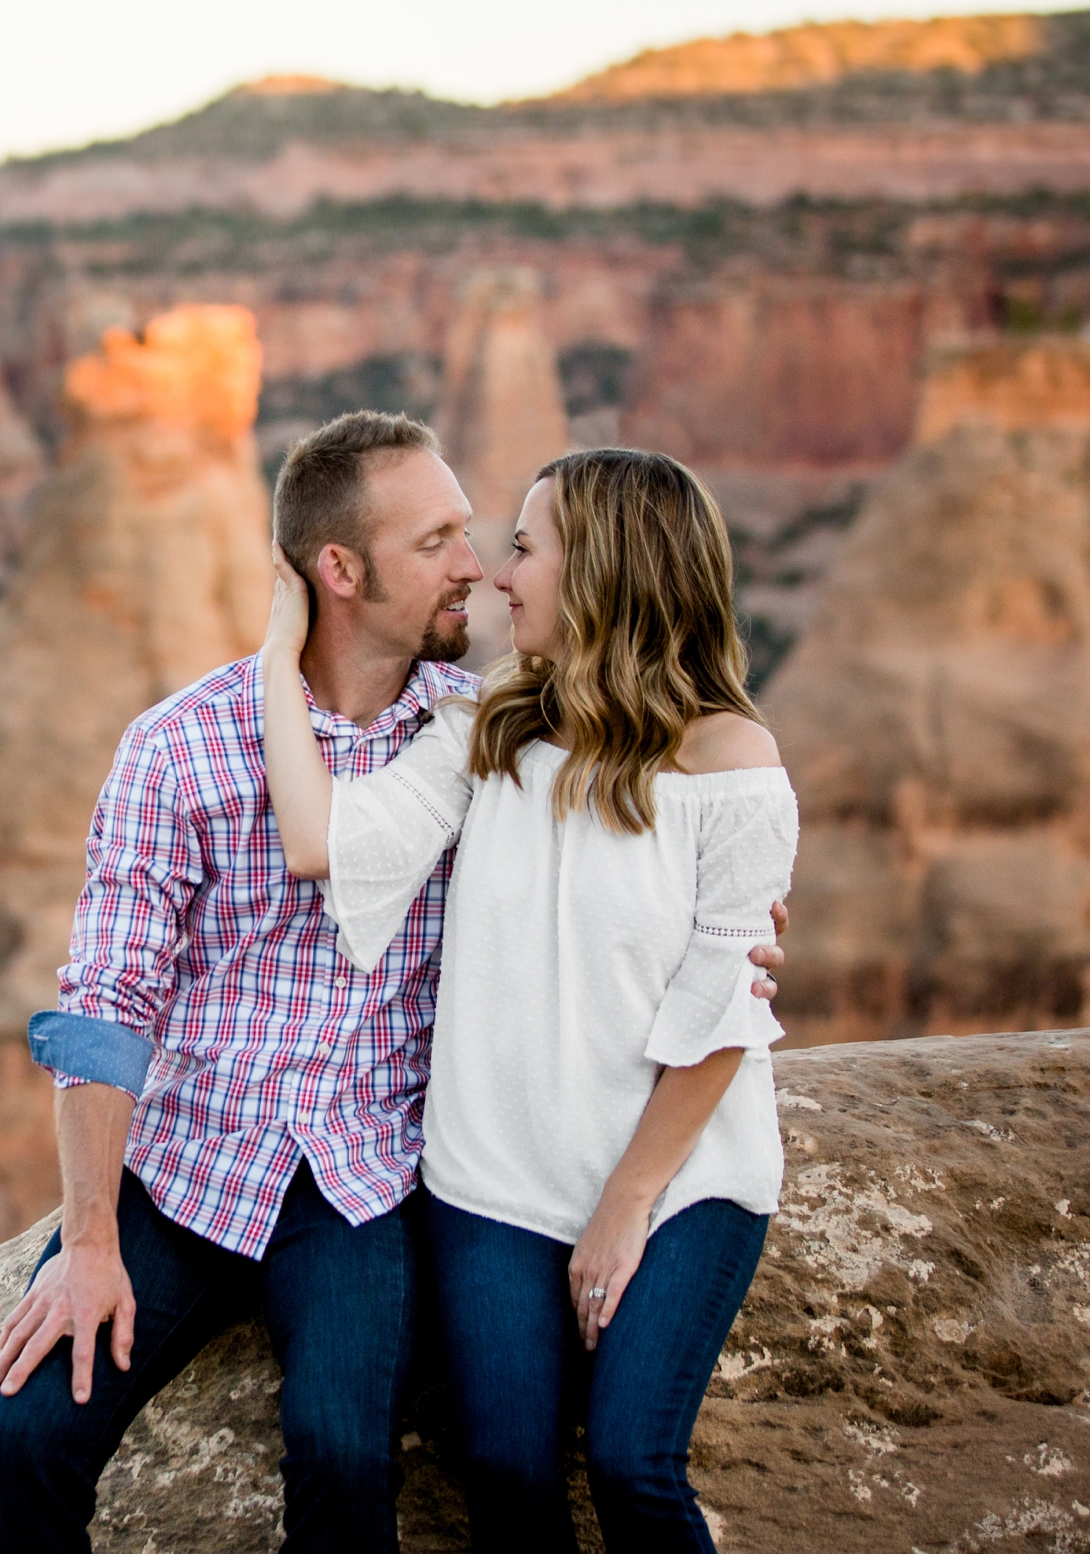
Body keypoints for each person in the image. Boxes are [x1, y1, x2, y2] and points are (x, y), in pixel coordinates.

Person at [0, 413, 787, 1553]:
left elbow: (652, 811)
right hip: (189, 1155)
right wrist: (92, 1240)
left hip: (359, 1170)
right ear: (338, 572)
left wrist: (737, 925)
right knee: (30, 1435)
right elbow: (108, 1002)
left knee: (349, 1453)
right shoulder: (179, 747)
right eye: (440, 538)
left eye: (485, 536)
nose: (476, 567)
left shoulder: (484, 725)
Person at [260, 445, 796, 1552]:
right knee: (504, 1465)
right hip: (493, 1175)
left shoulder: (736, 762)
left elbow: (726, 1000)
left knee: (633, 1460)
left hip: (679, 1172)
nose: (501, 576)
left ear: (602, 569)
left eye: (523, 547)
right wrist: (280, 643)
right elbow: (322, 841)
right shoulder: (486, 728)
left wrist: (626, 1201)